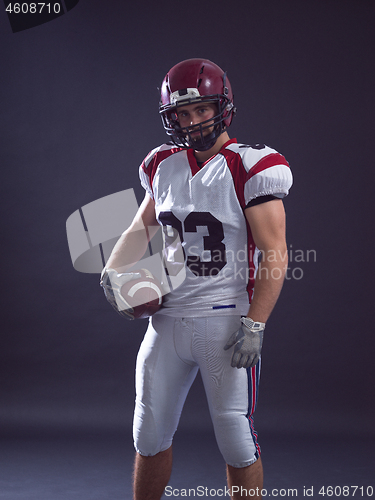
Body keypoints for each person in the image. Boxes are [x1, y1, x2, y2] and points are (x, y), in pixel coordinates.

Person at [100, 58, 293, 499]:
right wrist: (114, 273)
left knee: (236, 441)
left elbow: (275, 252)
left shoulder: (251, 165)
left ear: (221, 107)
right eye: (182, 114)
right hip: (166, 319)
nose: (192, 122)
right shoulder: (161, 163)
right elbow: (140, 228)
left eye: (201, 110)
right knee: (148, 434)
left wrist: (256, 322)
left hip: (225, 320)